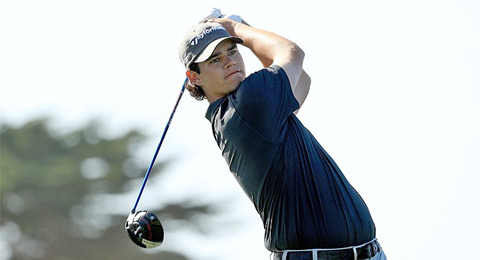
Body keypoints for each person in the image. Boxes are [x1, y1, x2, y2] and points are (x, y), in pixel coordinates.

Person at [178, 10, 387, 260]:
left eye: (232, 51)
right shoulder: (249, 103)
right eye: (214, 59)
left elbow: (301, 81)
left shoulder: (243, 110)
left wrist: (239, 27)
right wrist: (234, 27)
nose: (230, 62)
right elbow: (292, 53)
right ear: (194, 77)